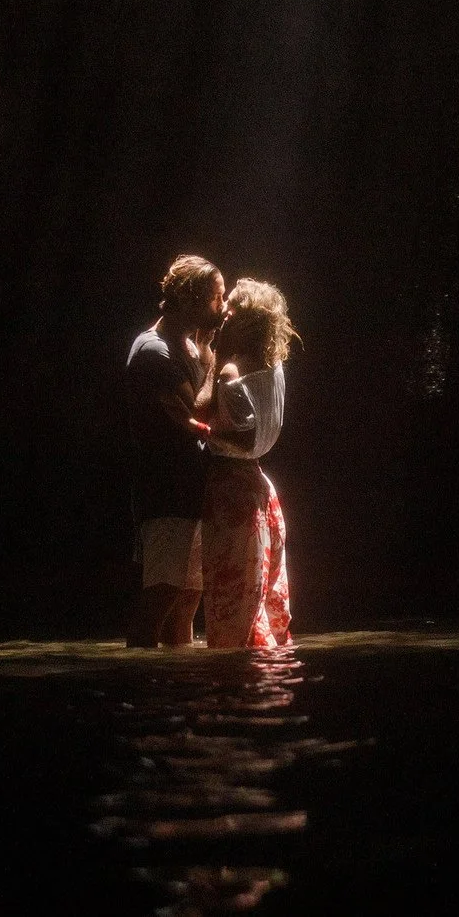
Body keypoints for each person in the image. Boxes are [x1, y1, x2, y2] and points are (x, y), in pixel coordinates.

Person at [124, 255, 224, 647]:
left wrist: (207, 354)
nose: (223, 306)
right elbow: (197, 414)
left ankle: (176, 685)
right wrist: (217, 361)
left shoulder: (185, 345)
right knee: (161, 597)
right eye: (216, 298)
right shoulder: (154, 351)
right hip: (165, 491)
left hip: (187, 491)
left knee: (186, 600)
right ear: (189, 300)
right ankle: (141, 681)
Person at [201, 278, 295, 648]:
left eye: (232, 306)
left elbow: (242, 434)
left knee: (234, 600)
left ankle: (236, 691)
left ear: (244, 319)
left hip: (232, 490)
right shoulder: (274, 365)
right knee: (263, 597)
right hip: (259, 486)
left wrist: (204, 431)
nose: (223, 311)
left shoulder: (231, 369)